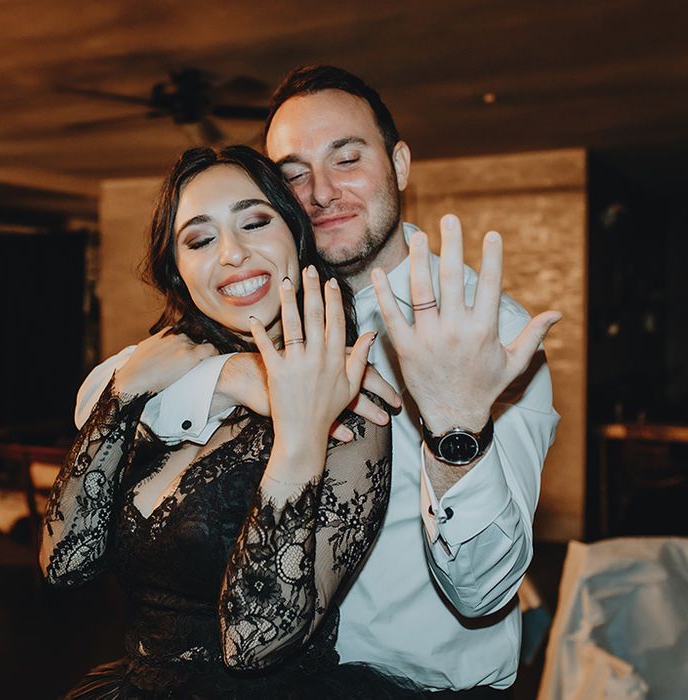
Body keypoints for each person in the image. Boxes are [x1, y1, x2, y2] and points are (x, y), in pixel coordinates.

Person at [76, 66, 561, 696]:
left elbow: (484, 590)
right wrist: (232, 376)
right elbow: (98, 398)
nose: (321, 192)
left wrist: (453, 430)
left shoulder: (489, 331)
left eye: (347, 158)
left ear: (400, 164)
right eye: (293, 173)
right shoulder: (264, 302)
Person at [40, 145, 418, 699]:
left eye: (254, 222)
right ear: (178, 271)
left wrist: (300, 436)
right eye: (200, 239)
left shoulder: (350, 404)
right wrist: (122, 396)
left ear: (297, 235)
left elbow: (253, 643)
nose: (233, 254)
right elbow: (65, 562)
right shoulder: (164, 381)